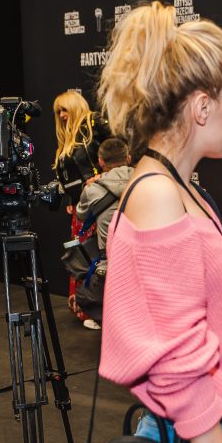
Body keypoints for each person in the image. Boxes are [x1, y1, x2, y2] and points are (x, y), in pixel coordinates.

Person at [97, 0, 222, 443]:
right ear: (203, 107)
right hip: (209, 431)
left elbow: (188, 283)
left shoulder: (175, 184)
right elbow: (177, 363)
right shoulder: (158, 194)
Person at [72, 137, 133, 328]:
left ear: (100, 162)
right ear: (128, 158)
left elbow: (81, 214)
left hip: (111, 264)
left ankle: (106, 318)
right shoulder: (146, 181)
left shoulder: (93, 189)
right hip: (143, 260)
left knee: (83, 294)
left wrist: (88, 187)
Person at [52, 90, 110, 210]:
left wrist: (104, 175)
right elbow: (71, 173)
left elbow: (118, 150)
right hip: (81, 204)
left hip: (100, 198)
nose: (61, 115)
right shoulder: (67, 139)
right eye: (58, 112)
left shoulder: (92, 122)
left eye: (64, 109)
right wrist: (70, 199)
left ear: (74, 107)